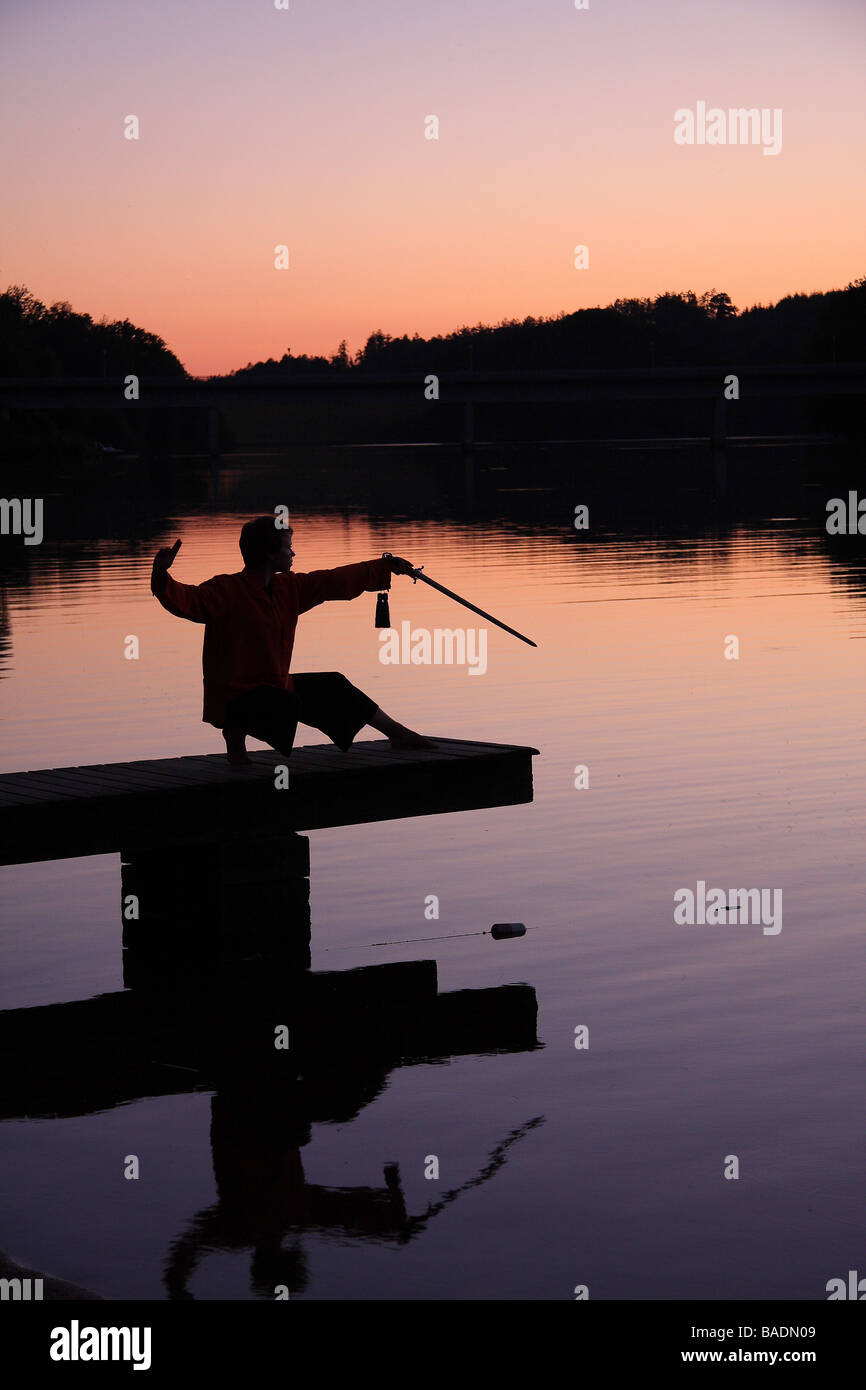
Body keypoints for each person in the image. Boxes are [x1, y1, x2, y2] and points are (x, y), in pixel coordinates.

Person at [151, 516, 433, 765]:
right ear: (270, 553)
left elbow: (332, 580)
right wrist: (161, 575)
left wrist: (383, 566)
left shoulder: (289, 588)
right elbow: (186, 601)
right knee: (282, 702)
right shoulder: (225, 590)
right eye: (288, 547)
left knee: (333, 684)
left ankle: (398, 733)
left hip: (275, 687)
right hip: (235, 698)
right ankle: (234, 738)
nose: (293, 552)